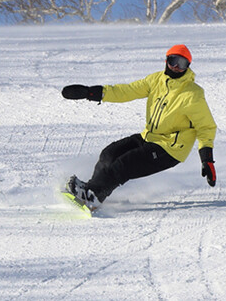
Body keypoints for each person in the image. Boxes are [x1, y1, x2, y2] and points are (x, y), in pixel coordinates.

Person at [60, 43, 217, 209]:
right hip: (149, 137)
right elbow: (127, 91)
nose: (177, 67)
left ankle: (94, 195)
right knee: (109, 154)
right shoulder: (156, 80)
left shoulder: (193, 93)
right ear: (166, 61)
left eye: (183, 64)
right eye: (173, 61)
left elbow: (206, 127)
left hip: (171, 148)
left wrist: (207, 159)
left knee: (124, 164)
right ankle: (92, 189)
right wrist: (91, 92)